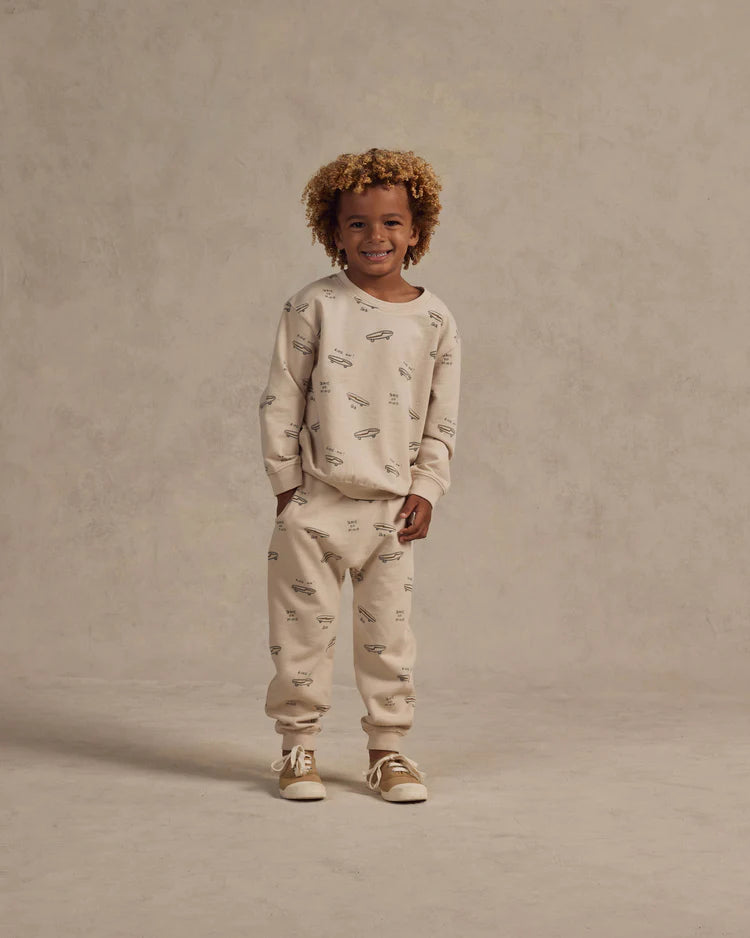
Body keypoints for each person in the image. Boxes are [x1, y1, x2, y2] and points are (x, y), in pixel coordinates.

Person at [258, 147, 462, 802]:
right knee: (300, 636)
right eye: (358, 223)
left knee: (389, 642)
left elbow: (442, 418)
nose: (376, 236)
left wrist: (427, 489)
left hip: (391, 513)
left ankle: (388, 752)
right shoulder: (314, 305)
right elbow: (281, 397)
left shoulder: (435, 320)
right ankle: (297, 750)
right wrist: (287, 487)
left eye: (392, 222)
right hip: (316, 505)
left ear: (416, 229)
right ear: (334, 231)